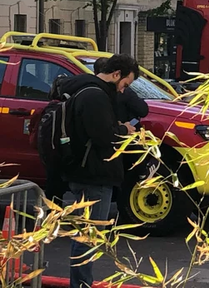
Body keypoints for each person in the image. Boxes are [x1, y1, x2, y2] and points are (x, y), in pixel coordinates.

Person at [60, 54, 139, 288]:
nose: (124, 91)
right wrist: (124, 130)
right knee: (89, 237)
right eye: (125, 84)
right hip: (94, 174)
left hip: (85, 171)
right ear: (116, 75)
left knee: (87, 235)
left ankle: (81, 283)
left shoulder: (87, 90)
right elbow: (103, 136)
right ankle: (81, 284)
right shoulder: (95, 96)